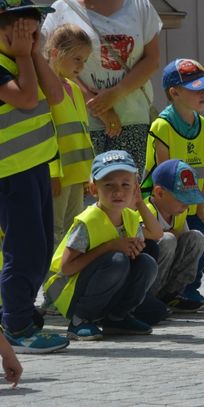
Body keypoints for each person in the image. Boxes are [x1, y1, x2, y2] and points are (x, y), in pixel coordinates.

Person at [0, 0, 70, 354]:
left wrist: (33, 53)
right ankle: (16, 325)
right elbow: (26, 99)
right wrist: (24, 57)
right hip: (10, 173)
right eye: (23, 28)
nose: (31, 34)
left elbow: (55, 95)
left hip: (36, 167)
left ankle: (20, 310)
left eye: (35, 27)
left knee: (40, 249)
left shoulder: (24, 57)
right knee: (23, 252)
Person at [44, 150, 163, 341]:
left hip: (97, 284)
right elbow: (66, 268)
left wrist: (134, 249)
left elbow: (157, 235)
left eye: (126, 185)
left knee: (146, 262)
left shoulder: (129, 217)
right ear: (93, 189)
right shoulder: (88, 220)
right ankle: (79, 321)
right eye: (108, 185)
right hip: (66, 291)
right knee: (116, 261)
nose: (118, 192)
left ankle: (117, 319)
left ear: (135, 189)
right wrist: (110, 247)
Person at [42, 0, 162, 176]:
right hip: (79, 121)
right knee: (84, 194)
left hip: (132, 118)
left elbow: (152, 60)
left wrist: (116, 93)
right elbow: (49, 61)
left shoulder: (140, 6)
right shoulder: (61, 8)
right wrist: (95, 104)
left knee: (126, 192)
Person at [142, 58, 204, 308]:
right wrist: (174, 210)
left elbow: (203, 168)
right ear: (174, 92)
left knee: (200, 237)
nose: (203, 94)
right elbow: (163, 174)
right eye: (196, 89)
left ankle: (187, 291)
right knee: (169, 244)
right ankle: (154, 294)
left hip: (191, 201)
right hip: (165, 206)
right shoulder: (162, 126)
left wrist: (200, 209)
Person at [44, 23, 94, 248]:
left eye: (84, 60)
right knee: (54, 228)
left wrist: (89, 173)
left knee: (74, 227)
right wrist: (53, 173)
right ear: (55, 53)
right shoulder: (44, 88)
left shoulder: (74, 89)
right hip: (59, 177)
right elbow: (45, 133)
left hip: (77, 174)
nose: (82, 67)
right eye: (77, 59)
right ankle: (51, 280)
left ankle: (67, 278)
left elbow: (83, 133)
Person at [144, 159, 204, 312]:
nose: (187, 205)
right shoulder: (147, 212)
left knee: (197, 237)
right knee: (167, 240)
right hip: (146, 278)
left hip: (166, 272)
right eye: (182, 199)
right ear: (159, 193)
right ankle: (148, 298)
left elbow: (184, 240)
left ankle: (172, 295)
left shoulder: (180, 212)